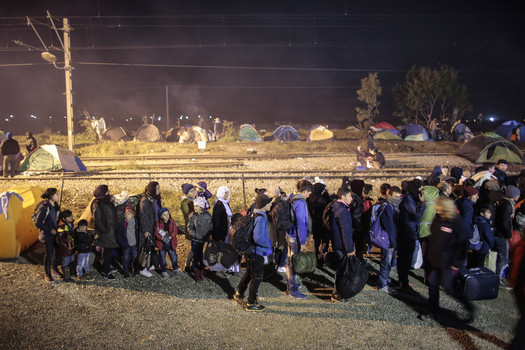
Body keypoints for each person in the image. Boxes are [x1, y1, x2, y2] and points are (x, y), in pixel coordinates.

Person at [423, 197, 475, 323]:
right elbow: (433, 237)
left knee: (450, 289)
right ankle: (432, 311)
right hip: (435, 260)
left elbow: (461, 245)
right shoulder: (438, 218)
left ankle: (469, 307)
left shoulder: (457, 222)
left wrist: (456, 264)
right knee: (433, 287)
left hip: (448, 263)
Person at [233, 194, 273, 311]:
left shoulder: (255, 214)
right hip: (257, 252)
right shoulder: (260, 218)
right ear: (264, 205)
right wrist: (267, 245)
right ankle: (251, 303)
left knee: (250, 273)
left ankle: (239, 292)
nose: (271, 204)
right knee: (257, 277)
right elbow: (258, 238)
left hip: (251, 252)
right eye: (269, 203)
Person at [397, 179, 426, 293]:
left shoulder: (410, 200)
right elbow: (416, 216)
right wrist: (423, 203)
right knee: (405, 259)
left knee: (405, 259)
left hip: (409, 233)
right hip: (407, 234)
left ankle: (403, 281)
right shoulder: (408, 201)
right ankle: (403, 282)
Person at [286, 179, 313, 299]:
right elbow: (301, 223)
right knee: (294, 262)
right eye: (309, 193)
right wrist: (303, 242)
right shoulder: (301, 203)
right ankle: (292, 289)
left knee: (290, 260)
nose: (309, 195)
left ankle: (291, 284)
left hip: (289, 234)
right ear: (305, 191)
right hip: (295, 237)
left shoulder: (293, 198)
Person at [329, 186, 354, 302]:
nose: (351, 198)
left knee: (340, 270)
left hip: (337, 243)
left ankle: (337, 292)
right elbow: (346, 232)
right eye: (349, 196)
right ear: (343, 197)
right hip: (342, 245)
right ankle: (337, 294)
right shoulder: (343, 211)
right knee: (341, 271)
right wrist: (349, 250)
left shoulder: (335, 207)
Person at [494, 185, 520, 288]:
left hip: (500, 234)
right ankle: (498, 278)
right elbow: (505, 222)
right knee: (503, 258)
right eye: (517, 194)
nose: (519, 196)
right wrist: (508, 235)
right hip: (501, 235)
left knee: (502, 257)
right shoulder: (507, 205)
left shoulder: (504, 203)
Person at [377, 186, 402, 295]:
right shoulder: (388, 207)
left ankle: (385, 280)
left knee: (387, 261)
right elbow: (389, 226)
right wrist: (393, 241)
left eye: (399, 197)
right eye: (395, 196)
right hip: (388, 240)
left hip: (391, 239)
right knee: (386, 262)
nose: (398, 199)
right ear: (390, 195)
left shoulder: (393, 206)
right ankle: (383, 284)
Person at [92, 184, 119, 281]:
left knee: (107, 251)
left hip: (110, 231)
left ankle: (105, 267)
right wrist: (104, 230)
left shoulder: (106, 201)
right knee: (107, 251)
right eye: (107, 191)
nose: (109, 192)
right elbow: (97, 219)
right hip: (105, 232)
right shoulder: (98, 203)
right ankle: (105, 271)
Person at [35, 188, 61, 283]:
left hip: (55, 234)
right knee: (48, 254)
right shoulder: (45, 207)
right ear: (51, 196)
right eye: (56, 194)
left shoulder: (55, 206)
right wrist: (50, 230)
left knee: (55, 253)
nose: (58, 196)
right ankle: (47, 274)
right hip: (47, 235)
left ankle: (54, 269)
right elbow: (38, 223)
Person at [138, 181, 162, 277]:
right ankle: (142, 268)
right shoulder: (145, 201)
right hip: (147, 229)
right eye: (158, 189)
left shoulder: (152, 198)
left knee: (150, 247)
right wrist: (146, 231)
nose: (159, 190)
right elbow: (143, 217)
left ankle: (148, 265)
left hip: (152, 227)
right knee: (144, 249)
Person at [188, 196, 213, 282]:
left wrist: (209, 236)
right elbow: (190, 228)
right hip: (196, 241)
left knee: (203, 257)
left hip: (205, 241)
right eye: (194, 206)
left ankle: (202, 271)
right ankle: (196, 273)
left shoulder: (208, 216)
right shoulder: (193, 216)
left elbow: (211, 227)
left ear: (201, 207)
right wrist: (195, 235)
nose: (195, 208)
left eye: (196, 206)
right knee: (196, 257)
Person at [268, 187, 292, 273]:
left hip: (274, 229)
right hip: (280, 228)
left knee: (278, 247)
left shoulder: (272, 203)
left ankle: (276, 264)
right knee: (285, 246)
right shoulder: (280, 203)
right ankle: (281, 265)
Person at [154, 207, 182, 278]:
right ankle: (163, 271)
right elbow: (156, 232)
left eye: (167, 214)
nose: (166, 216)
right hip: (162, 244)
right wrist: (161, 238)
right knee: (163, 258)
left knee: (173, 256)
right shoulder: (158, 223)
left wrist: (171, 236)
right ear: (161, 216)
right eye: (164, 215)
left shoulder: (172, 222)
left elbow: (175, 231)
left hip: (170, 242)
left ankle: (175, 268)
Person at [308, 182, 330, 266]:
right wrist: (327, 197)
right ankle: (322, 258)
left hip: (314, 222)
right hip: (322, 223)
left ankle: (315, 257)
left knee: (316, 240)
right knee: (325, 241)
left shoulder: (310, 197)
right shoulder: (321, 199)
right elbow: (327, 206)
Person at [115, 205, 139, 278]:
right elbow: (118, 235)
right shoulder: (122, 224)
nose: (127, 215)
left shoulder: (135, 222)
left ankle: (135, 269)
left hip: (134, 243)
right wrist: (122, 243)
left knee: (135, 256)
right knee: (126, 257)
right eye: (126, 214)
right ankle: (125, 271)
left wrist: (138, 242)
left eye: (129, 213)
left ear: (133, 214)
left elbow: (137, 233)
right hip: (126, 244)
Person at [180, 183, 196, 273]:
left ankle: (193, 264)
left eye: (194, 190)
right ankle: (187, 265)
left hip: (196, 226)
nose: (194, 192)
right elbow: (189, 214)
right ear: (186, 193)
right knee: (194, 247)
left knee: (196, 247)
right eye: (191, 191)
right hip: (191, 226)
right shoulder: (185, 202)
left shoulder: (193, 200)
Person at [56, 210, 75, 282]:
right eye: (69, 216)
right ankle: (66, 277)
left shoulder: (69, 225)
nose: (71, 217)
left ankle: (72, 273)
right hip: (66, 248)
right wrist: (66, 246)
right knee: (65, 261)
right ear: (64, 218)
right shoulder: (62, 227)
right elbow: (60, 240)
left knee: (71, 259)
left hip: (70, 247)